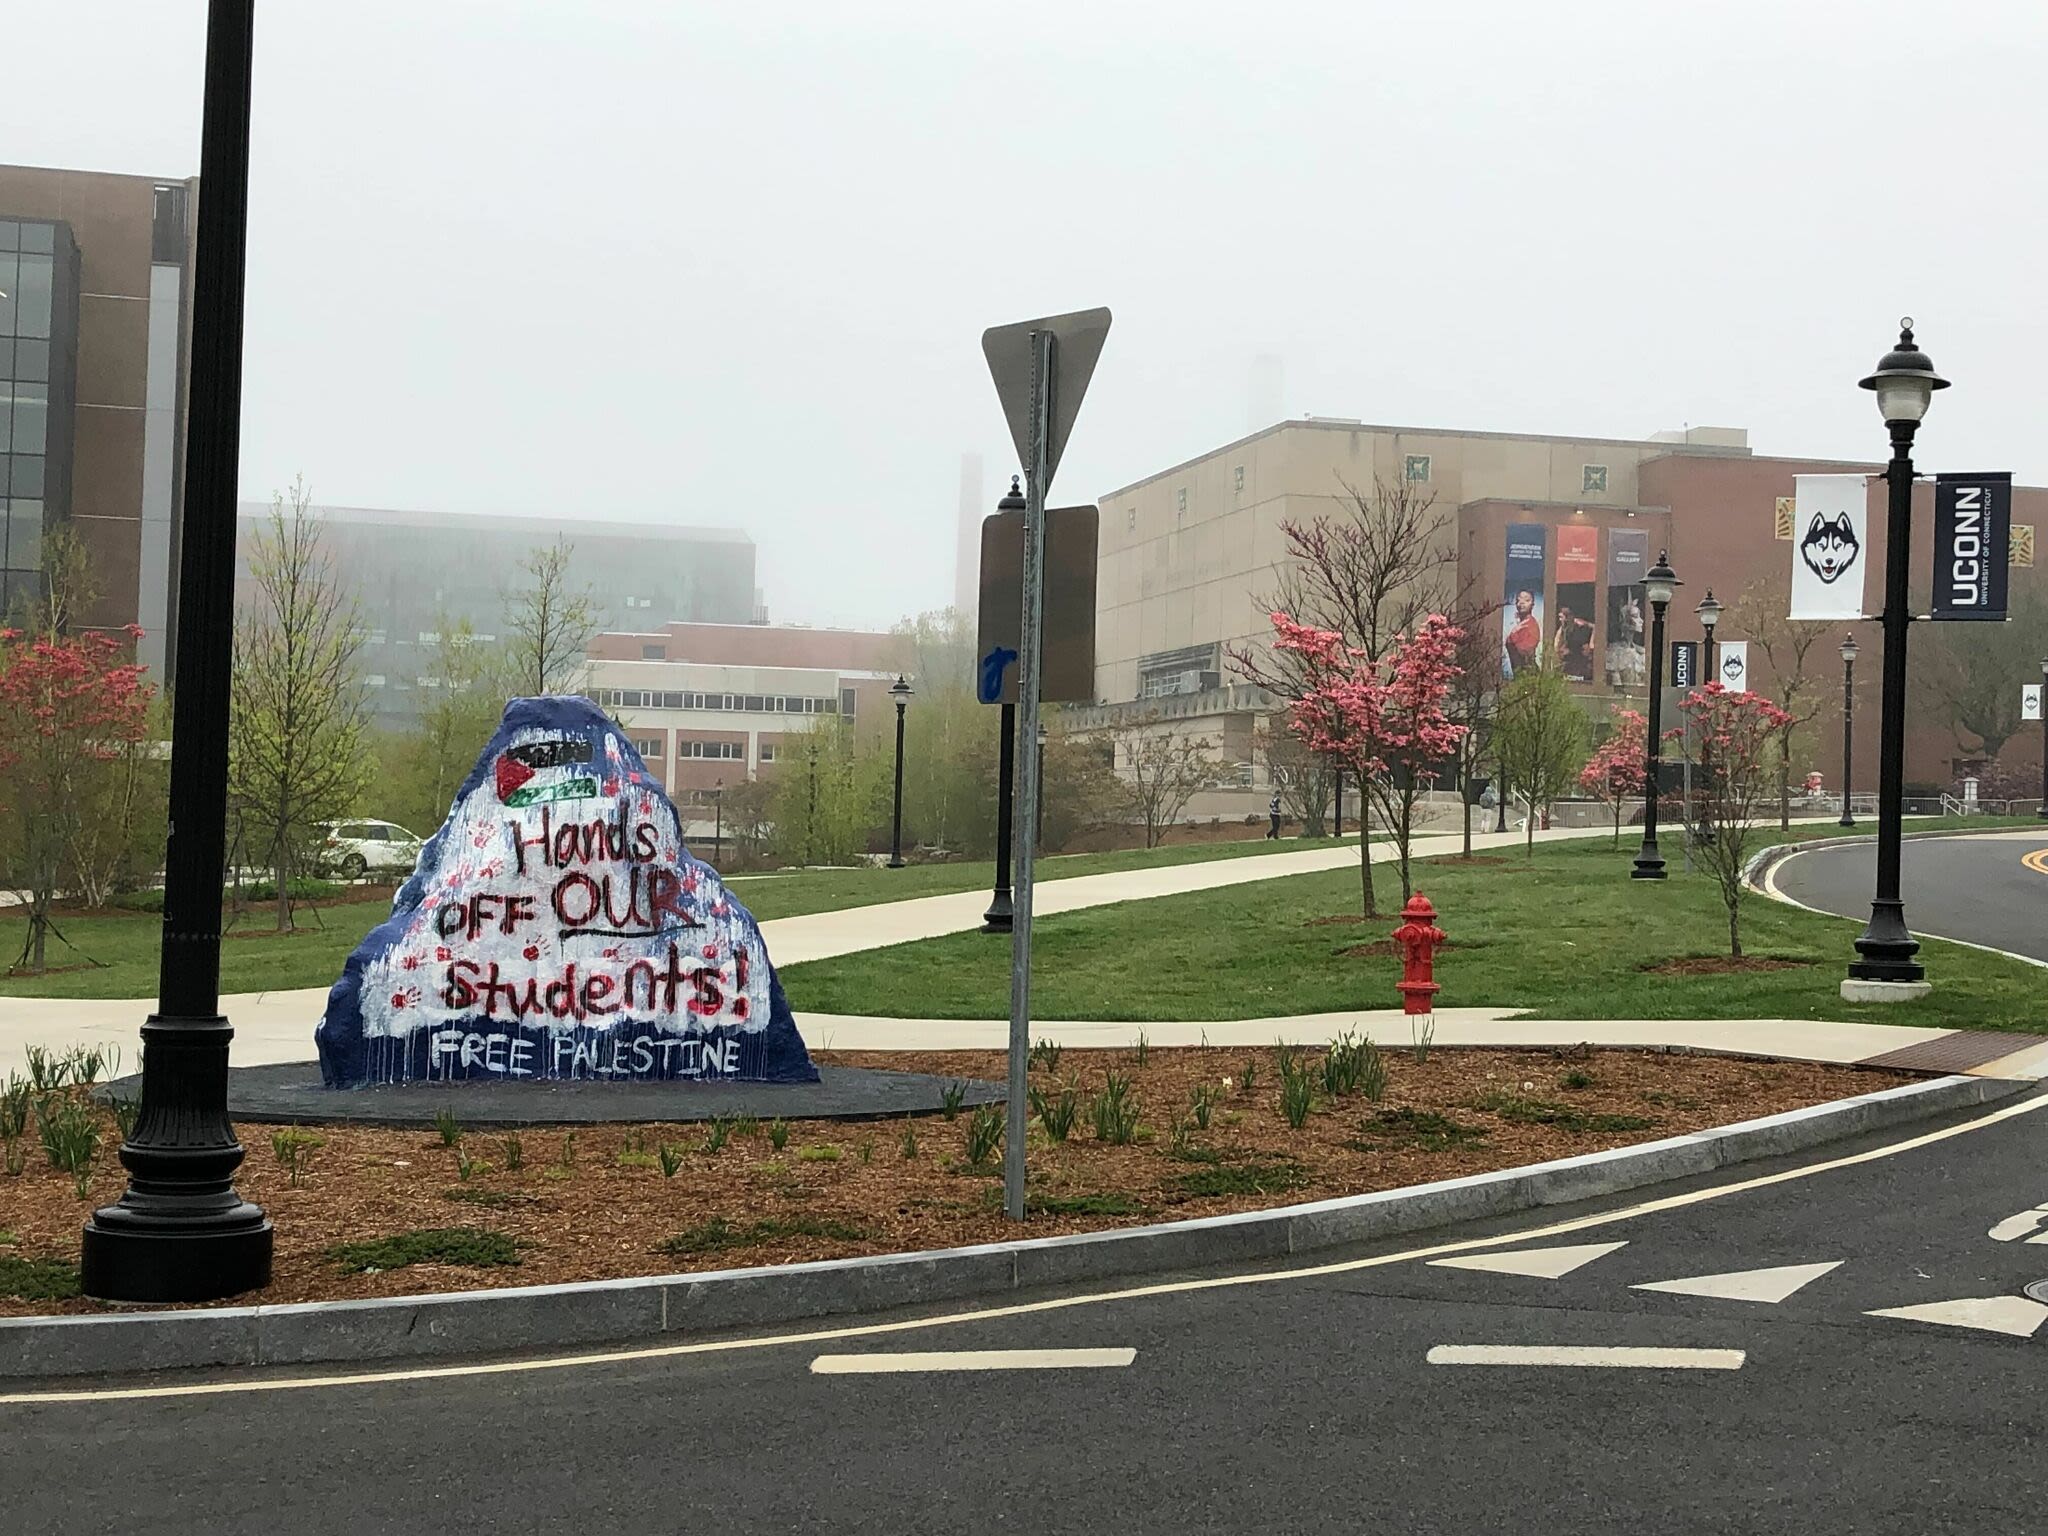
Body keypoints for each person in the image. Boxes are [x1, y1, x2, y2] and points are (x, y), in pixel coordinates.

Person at [1502, 589, 1542, 676]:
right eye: (1518, 600)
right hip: (1520, 673)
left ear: (1532, 605)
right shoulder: (1520, 625)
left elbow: (1525, 653)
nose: (1521, 603)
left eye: (1526, 600)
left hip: (1528, 675)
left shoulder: (1531, 625)